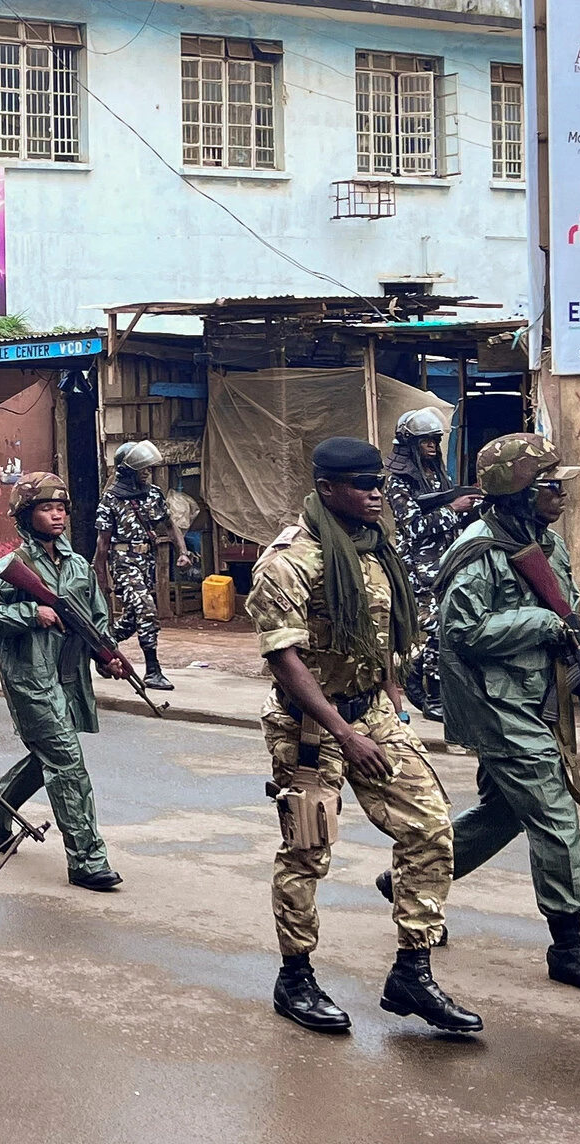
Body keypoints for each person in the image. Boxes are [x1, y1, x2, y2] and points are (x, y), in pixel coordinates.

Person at [247, 434, 480, 1037]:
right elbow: (284, 658)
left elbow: (379, 631)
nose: (378, 493)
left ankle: (412, 970)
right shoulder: (289, 560)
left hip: (372, 710)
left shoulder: (374, 547)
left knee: (428, 826)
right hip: (311, 727)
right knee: (307, 849)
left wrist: (393, 692)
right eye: (363, 485)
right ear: (327, 489)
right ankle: (295, 976)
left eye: (380, 483)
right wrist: (344, 734)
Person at [419, 432, 580, 997]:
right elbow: (462, 632)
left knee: (506, 813)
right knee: (556, 817)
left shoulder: (545, 543)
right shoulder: (479, 552)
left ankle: (415, 881)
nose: (562, 495)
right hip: (497, 703)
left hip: (538, 696)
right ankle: (569, 945)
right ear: (519, 493)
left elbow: (570, 621)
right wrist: (539, 626)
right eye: (551, 486)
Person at [0, 471, 123, 891]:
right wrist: (29, 615)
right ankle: (87, 860)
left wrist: (106, 657)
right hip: (30, 681)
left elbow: (96, 620)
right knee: (68, 763)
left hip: (69, 679)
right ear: (25, 515)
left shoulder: (78, 567)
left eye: (61, 508)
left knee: (50, 758)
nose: (56, 516)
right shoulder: (11, 568)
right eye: (46, 508)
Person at [384, 407, 478, 722]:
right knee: (438, 629)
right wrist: (453, 508)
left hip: (446, 562)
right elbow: (412, 527)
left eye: (435, 441)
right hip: (418, 567)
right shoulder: (398, 481)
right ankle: (434, 695)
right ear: (409, 442)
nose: (432, 447)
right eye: (426, 441)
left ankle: (413, 674)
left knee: (452, 625)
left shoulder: (435, 473)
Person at [96, 439, 188, 693]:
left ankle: (102, 648)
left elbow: (169, 524)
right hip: (123, 562)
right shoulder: (110, 501)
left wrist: (183, 551)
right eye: (142, 469)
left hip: (147, 561)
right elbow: (102, 545)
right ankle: (153, 670)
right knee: (147, 609)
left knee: (133, 618)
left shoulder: (153, 494)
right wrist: (101, 579)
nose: (147, 472)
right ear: (128, 472)